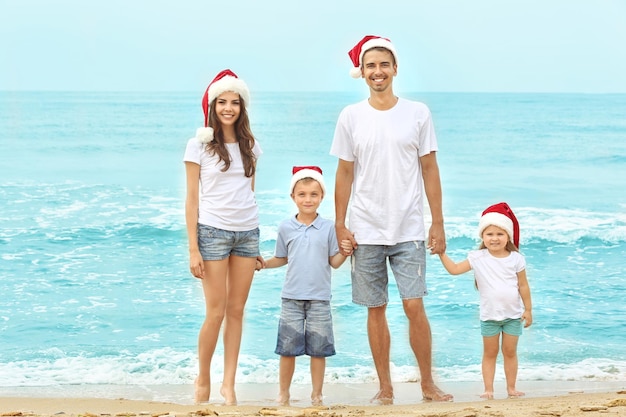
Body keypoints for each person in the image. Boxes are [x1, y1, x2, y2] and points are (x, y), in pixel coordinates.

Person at [330, 35, 452, 403]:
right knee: (376, 309)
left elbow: (429, 169)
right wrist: (339, 223)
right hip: (365, 228)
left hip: (409, 228)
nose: (378, 71)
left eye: (384, 64)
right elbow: (344, 173)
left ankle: (428, 383)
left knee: (414, 305)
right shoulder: (351, 116)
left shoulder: (417, 113)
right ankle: (385, 387)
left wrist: (438, 222)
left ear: (395, 69)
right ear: (362, 72)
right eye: (371, 66)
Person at [183, 69, 264, 405]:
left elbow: (249, 191)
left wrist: (257, 244)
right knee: (215, 312)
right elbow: (192, 199)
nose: (228, 108)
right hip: (212, 232)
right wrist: (193, 249)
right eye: (222, 102)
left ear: (242, 107)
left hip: (247, 234)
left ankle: (229, 384)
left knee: (237, 311)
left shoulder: (251, 145)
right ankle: (204, 376)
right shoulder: (198, 145)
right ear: (213, 105)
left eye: (235, 102)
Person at [257, 166, 353, 406]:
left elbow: (334, 262)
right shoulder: (285, 227)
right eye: (302, 194)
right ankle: (284, 393)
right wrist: (262, 264)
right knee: (287, 349)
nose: (307, 199)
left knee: (318, 350)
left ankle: (317, 394)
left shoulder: (329, 227)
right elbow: (282, 258)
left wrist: (347, 252)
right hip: (291, 297)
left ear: (322, 197)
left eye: (313, 194)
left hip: (320, 298)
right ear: (293, 197)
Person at [438, 202, 532, 399]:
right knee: (489, 354)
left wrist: (528, 310)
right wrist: (441, 253)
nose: (495, 238)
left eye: (500, 234)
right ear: (482, 236)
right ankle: (488, 389)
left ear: (508, 237)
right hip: (489, 316)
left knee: (510, 352)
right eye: (490, 234)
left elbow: (523, 286)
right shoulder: (477, 257)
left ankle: (511, 388)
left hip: (513, 316)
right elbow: (454, 270)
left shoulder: (516, 259)